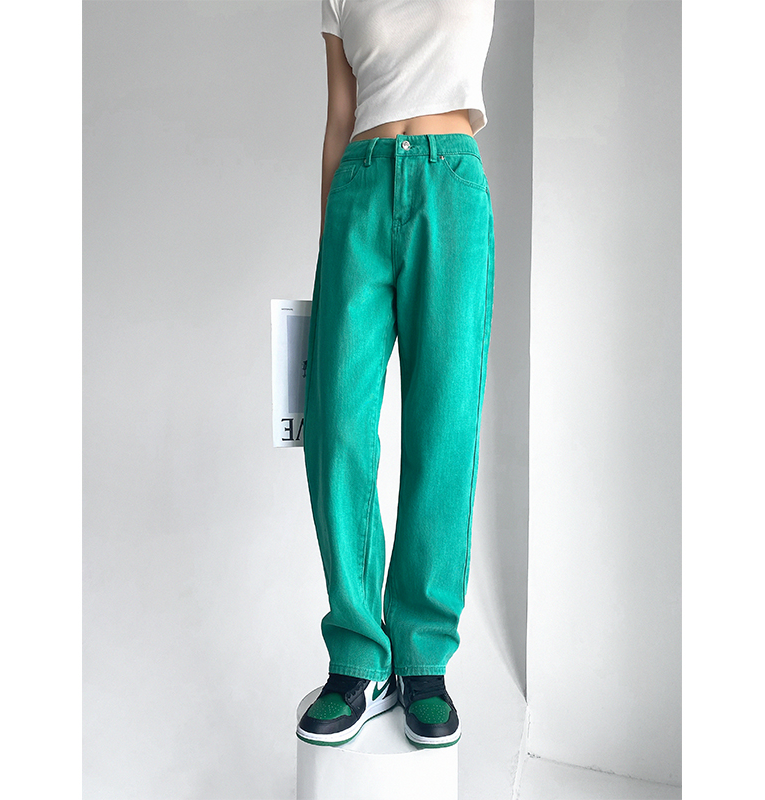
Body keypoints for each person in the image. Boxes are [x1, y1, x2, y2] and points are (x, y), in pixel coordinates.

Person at [297, 0, 496, 749]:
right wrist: (330, 244)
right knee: (338, 427)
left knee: (444, 424)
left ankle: (422, 659)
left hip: (451, 186)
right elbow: (338, 119)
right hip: (359, 187)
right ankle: (356, 655)